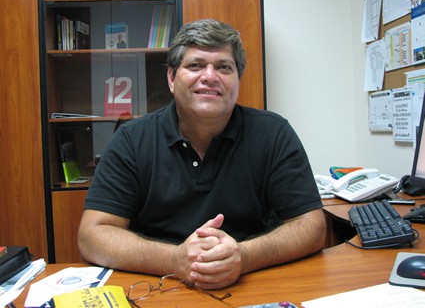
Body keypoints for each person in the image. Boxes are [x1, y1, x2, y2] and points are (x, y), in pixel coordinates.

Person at [78, 19, 326, 290]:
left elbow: (311, 226)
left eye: (224, 67)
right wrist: (175, 259)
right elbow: (92, 235)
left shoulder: (274, 133)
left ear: (237, 80)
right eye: (195, 65)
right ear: (172, 78)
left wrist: (244, 256)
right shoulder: (131, 140)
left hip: (249, 285)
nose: (210, 76)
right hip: (159, 286)